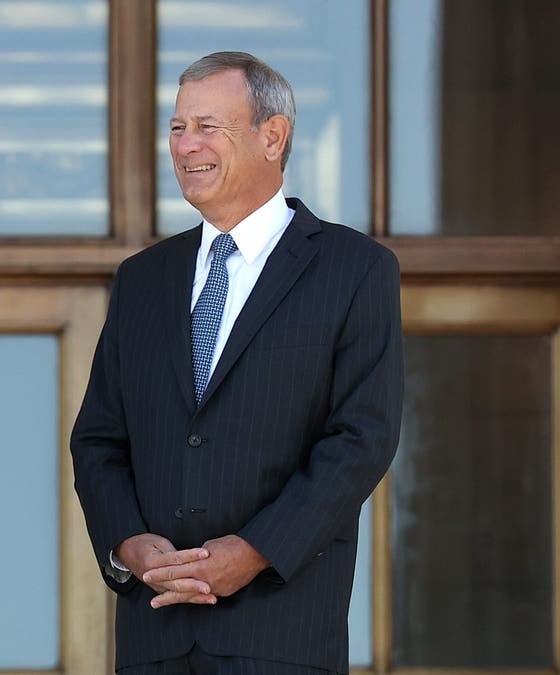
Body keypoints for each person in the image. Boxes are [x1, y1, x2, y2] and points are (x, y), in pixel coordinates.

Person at [70, 51, 403, 674]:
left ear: (271, 136)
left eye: (206, 126)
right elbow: (98, 439)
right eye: (176, 127)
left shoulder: (354, 270)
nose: (185, 145)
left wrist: (255, 551)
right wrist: (127, 545)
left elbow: (362, 438)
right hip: (155, 638)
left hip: (281, 638)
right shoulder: (142, 280)